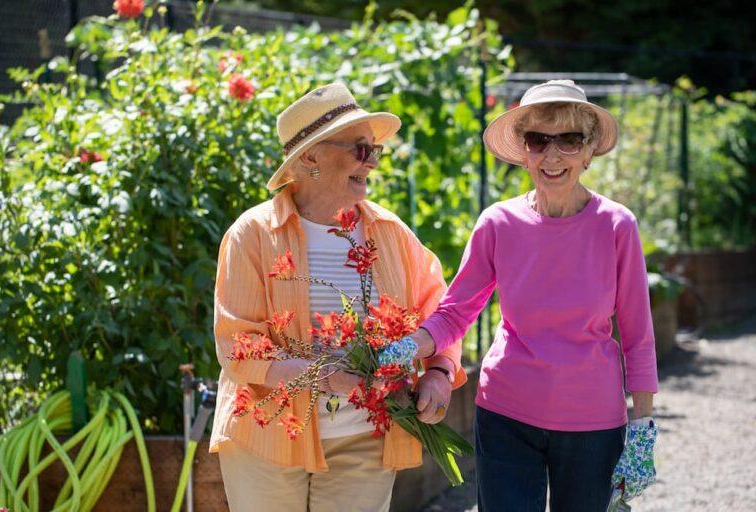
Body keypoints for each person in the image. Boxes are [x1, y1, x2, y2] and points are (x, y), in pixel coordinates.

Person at [209, 82, 466, 511]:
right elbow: (238, 346)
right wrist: (326, 376)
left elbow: (439, 312)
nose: (372, 163)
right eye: (360, 150)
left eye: (374, 152)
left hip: (363, 436)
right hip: (269, 435)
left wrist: (439, 371)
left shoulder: (391, 234)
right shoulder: (252, 235)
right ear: (310, 156)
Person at [409, 80, 659, 511]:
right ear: (524, 150)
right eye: (539, 140)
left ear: (588, 150)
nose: (552, 155)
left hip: (592, 422)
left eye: (569, 140)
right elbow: (455, 312)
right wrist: (402, 348)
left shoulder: (617, 226)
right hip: (507, 412)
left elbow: (637, 334)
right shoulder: (498, 223)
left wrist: (643, 424)